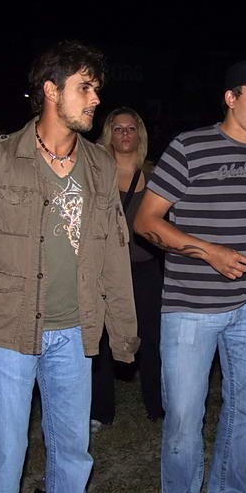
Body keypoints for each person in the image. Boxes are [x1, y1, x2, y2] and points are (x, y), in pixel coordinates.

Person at [0, 40, 139, 493]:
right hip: (9, 333)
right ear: (51, 91)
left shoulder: (99, 165)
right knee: (5, 457)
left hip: (75, 333)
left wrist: (123, 332)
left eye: (96, 88)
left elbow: (114, 255)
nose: (96, 98)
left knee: (73, 454)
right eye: (85, 87)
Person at [135, 59, 246, 493]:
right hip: (191, 308)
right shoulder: (189, 147)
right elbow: (146, 220)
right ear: (230, 98)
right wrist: (209, 252)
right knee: (184, 417)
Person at [91, 107, 164, 430]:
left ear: (140, 134)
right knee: (102, 338)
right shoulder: (95, 173)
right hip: (105, 271)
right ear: (109, 133)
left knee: (151, 336)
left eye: (131, 128)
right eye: (118, 128)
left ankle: (157, 405)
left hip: (145, 268)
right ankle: (100, 411)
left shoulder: (155, 175)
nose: (125, 134)